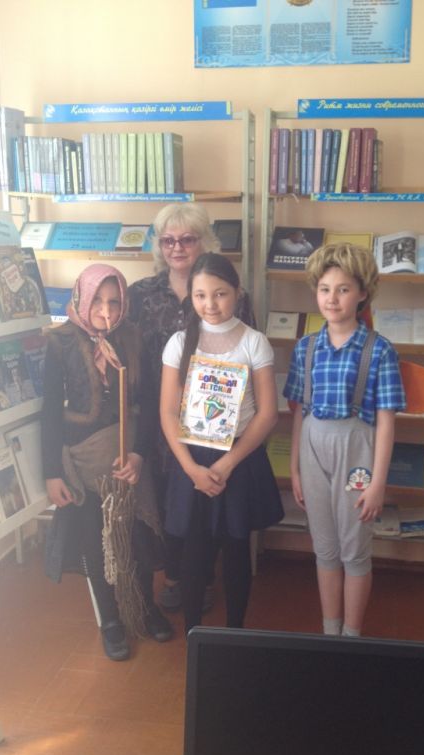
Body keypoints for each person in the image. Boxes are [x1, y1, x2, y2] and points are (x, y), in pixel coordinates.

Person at [41, 263, 173, 661]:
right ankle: (111, 620)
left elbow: (148, 403)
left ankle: (144, 607)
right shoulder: (60, 341)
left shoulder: (132, 337)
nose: (106, 310)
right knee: (97, 541)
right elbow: (50, 411)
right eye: (97, 300)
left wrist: (139, 454)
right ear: (81, 297)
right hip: (84, 462)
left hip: (127, 458)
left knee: (136, 536)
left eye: (114, 302)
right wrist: (52, 473)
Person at [128, 203, 255, 613]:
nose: (176, 247)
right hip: (159, 415)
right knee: (168, 496)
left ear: (205, 242)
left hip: (217, 418)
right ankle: (175, 575)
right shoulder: (141, 294)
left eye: (186, 239)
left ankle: (204, 576)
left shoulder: (234, 294)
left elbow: (248, 356)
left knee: (210, 496)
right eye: (168, 240)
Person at [284, 243, 405, 637]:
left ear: (362, 293)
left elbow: (386, 421)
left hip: (358, 451)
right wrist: (295, 467)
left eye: (343, 289)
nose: (332, 299)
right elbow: (299, 411)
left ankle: (351, 636)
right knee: (324, 547)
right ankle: (329, 630)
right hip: (313, 448)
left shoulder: (379, 350)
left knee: (354, 548)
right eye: (324, 289)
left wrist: (378, 482)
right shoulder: (305, 348)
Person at [160, 253, 283, 634]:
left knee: (236, 548)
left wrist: (227, 464)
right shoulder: (179, 343)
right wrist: (191, 469)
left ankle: (234, 632)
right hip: (192, 460)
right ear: (191, 296)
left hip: (239, 459)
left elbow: (267, 414)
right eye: (200, 295)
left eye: (220, 294)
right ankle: (194, 633)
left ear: (237, 292)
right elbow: (168, 412)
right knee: (194, 551)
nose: (210, 304)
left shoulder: (254, 342)